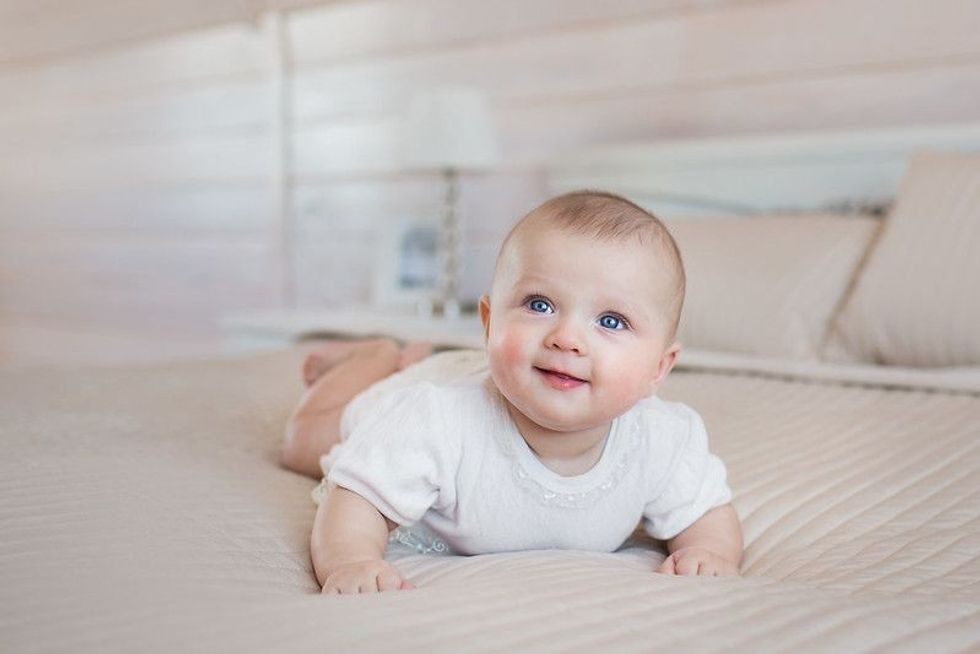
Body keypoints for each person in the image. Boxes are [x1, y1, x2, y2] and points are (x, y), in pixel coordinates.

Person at [281, 191, 743, 595]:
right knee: (301, 445)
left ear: (659, 368)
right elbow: (354, 499)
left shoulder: (664, 438)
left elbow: (706, 513)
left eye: (611, 321)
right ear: (489, 322)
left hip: (471, 370)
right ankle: (376, 357)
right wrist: (351, 560)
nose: (567, 338)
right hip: (428, 383)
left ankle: (407, 352)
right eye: (539, 305)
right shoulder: (431, 420)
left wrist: (707, 552)